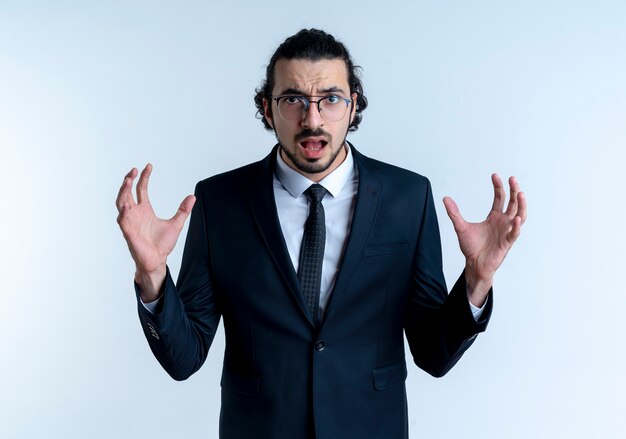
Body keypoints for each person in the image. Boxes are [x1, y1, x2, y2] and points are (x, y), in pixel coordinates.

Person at [116, 29, 526, 439]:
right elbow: (183, 358)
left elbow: (434, 354)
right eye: (293, 99)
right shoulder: (219, 201)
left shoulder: (407, 197)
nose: (312, 120)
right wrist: (152, 278)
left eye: (330, 99)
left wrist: (477, 282)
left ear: (353, 107)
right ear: (267, 108)